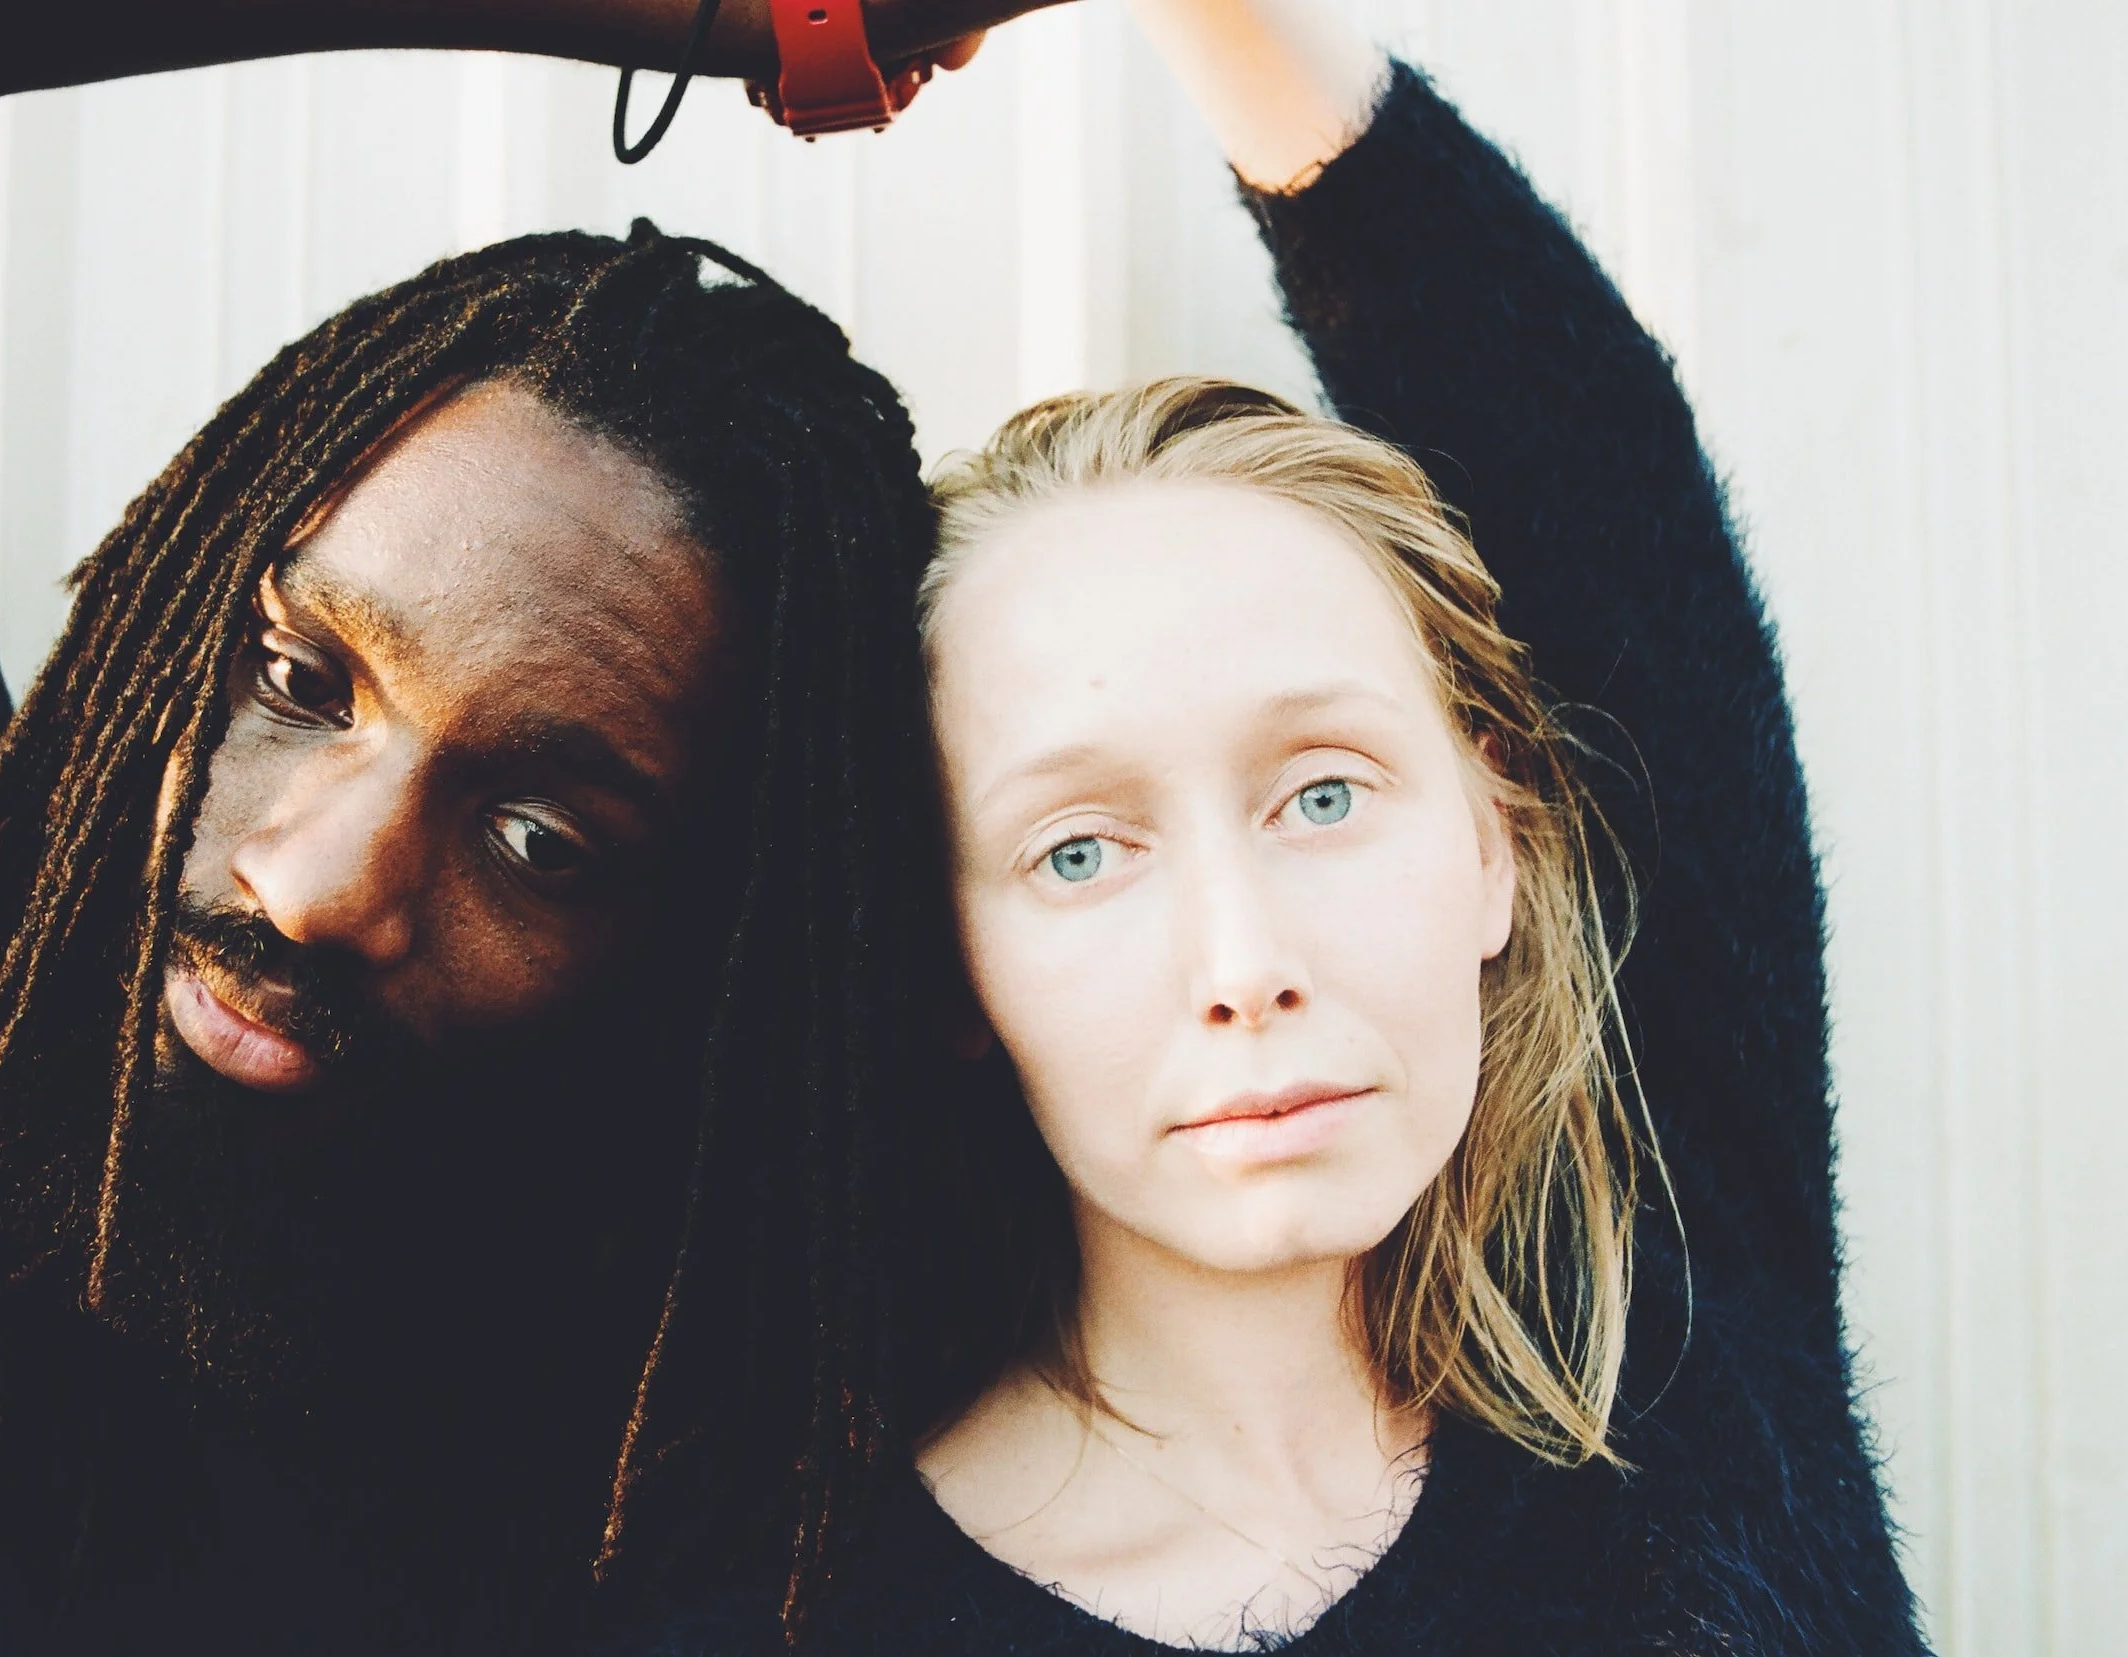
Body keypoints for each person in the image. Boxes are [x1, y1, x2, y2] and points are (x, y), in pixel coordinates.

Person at [0, 2, 1056, 1652]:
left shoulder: (656, 1536)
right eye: (298, 678)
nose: (316, 884)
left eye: (539, 839)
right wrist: (788, 19)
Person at [609, 0, 1928, 1651]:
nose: (1244, 966)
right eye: (1078, 851)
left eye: (1320, 793)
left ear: (1497, 842)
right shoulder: (782, 1612)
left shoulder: (1685, 1325)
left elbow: (1585, 460)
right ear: (949, 965)